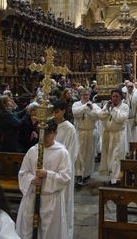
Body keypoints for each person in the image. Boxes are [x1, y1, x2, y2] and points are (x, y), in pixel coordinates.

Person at [16, 119, 71, 239]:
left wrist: (47, 174)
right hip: (32, 197)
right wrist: (31, 179)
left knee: (49, 232)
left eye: (48, 134)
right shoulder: (32, 151)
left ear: (55, 133)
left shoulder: (62, 153)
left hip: (51, 199)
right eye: (42, 133)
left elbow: (65, 177)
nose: (44, 137)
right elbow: (23, 173)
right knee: (28, 229)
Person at [52, 100, 78, 238]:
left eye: (56, 112)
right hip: (50, 170)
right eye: (53, 112)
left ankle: (65, 232)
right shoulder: (51, 125)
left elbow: (72, 153)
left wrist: (60, 166)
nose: (54, 115)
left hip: (63, 170)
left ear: (63, 111)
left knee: (65, 201)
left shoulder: (69, 128)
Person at [98, 89, 129, 185]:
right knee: (109, 157)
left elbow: (120, 118)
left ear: (121, 97)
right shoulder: (108, 106)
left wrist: (113, 109)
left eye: (117, 96)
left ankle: (116, 180)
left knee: (117, 157)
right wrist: (107, 109)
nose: (115, 98)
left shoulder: (125, 107)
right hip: (109, 135)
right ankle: (112, 177)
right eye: (113, 96)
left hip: (119, 135)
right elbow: (100, 115)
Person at [72, 88, 100, 183]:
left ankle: (87, 173)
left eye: (87, 95)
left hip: (90, 132)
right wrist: (86, 107)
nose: (85, 96)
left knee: (89, 154)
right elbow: (76, 113)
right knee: (79, 154)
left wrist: (89, 110)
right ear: (80, 95)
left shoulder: (94, 105)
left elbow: (97, 116)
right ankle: (79, 174)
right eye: (84, 95)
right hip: (80, 131)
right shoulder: (76, 104)